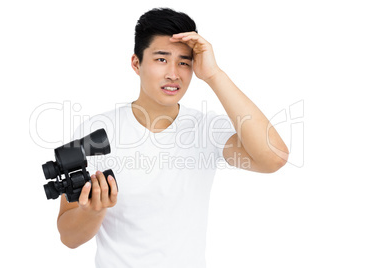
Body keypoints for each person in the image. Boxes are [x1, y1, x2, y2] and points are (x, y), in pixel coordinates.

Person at [57, 7, 289, 268]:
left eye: (184, 62)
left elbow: (274, 158)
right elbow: (69, 237)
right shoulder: (98, 131)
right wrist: (94, 212)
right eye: (161, 59)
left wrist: (214, 75)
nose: (173, 74)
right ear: (136, 63)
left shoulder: (205, 129)